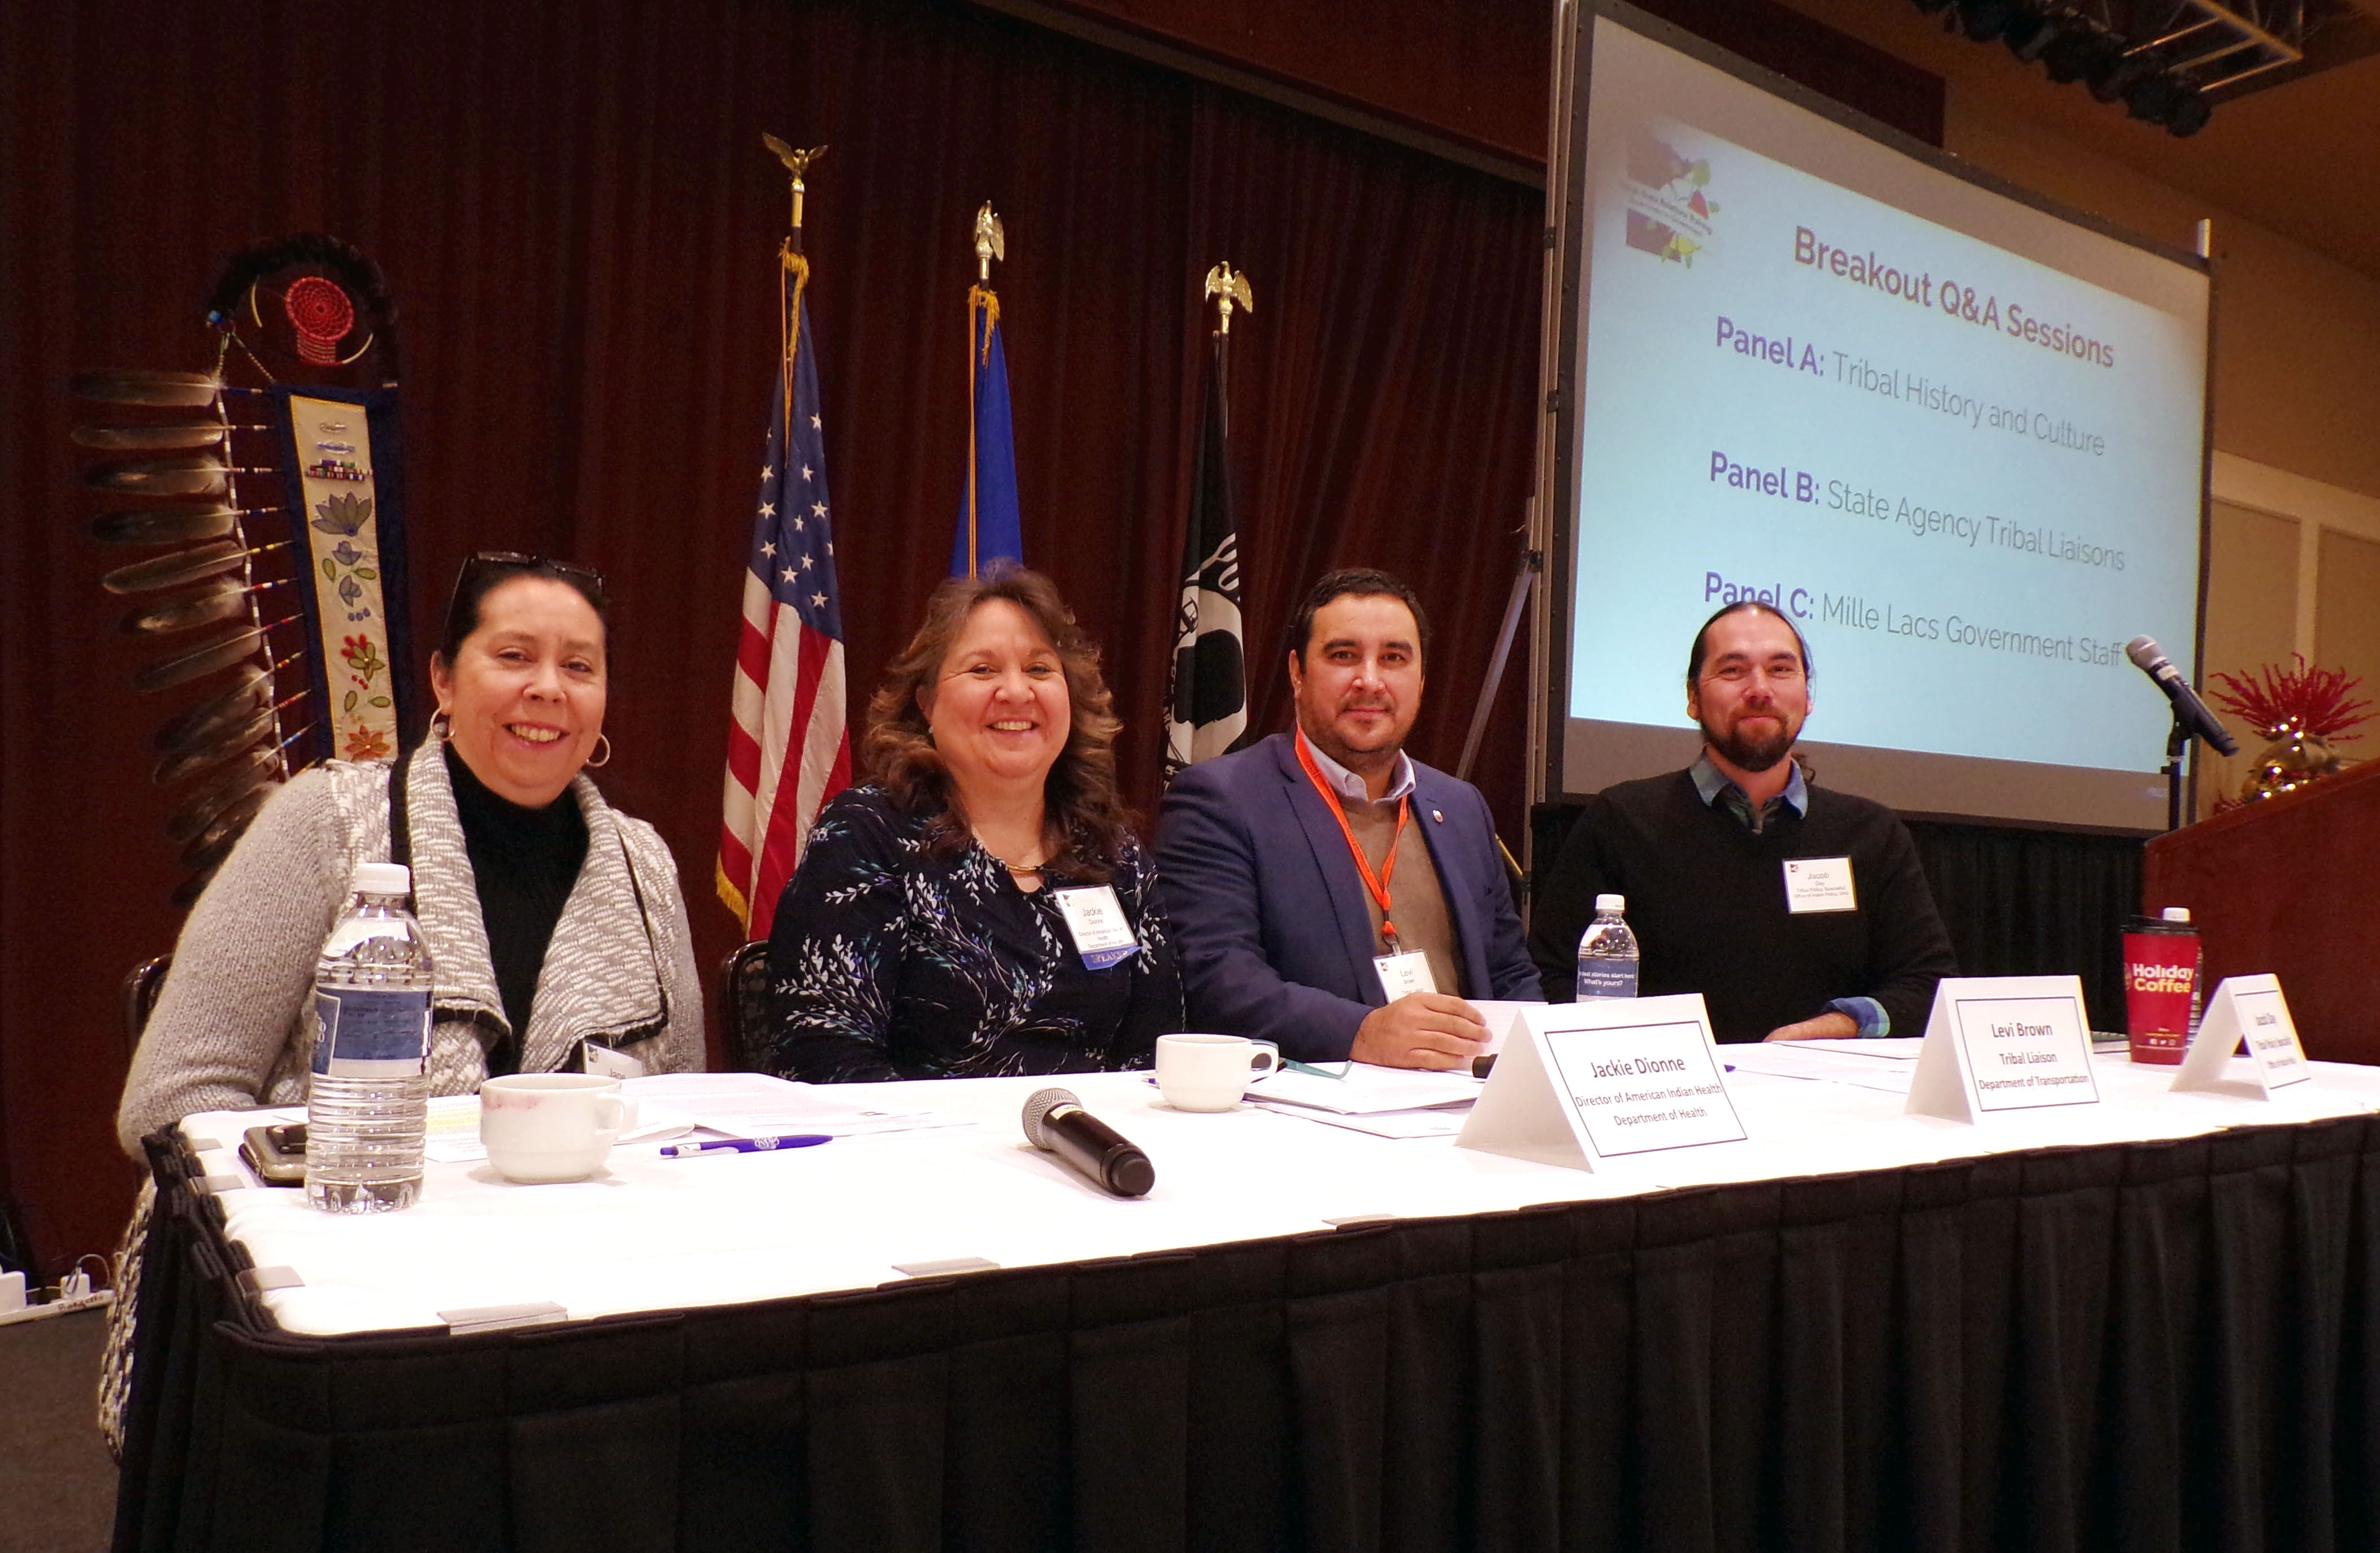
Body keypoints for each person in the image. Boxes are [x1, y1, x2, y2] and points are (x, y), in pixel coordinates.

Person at [116, 553, 706, 1155]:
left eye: (578, 666)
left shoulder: (644, 865)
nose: (549, 688)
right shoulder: (327, 823)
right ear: (443, 681)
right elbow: (171, 1103)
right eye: (514, 657)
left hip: (584, 1233)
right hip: (335, 1223)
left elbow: (680, 1112)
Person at [765, 567, 1180, 1081]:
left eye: (1040, 669)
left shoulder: (1112, 855)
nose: (1015, 691)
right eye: (983, 670)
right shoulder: (869, 836)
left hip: (1090, 1147)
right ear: (926, 703)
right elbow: (825, 1060)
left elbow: (1156, 1057)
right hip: (916, 1153)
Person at [1156, 567, 1540, 1070]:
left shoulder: (1462, 806)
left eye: (1394, 658)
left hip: (1468, 1100)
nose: (1370, 681)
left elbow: (1511, 974)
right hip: (1316, 1112)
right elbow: (1219, 979)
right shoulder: (1221, 800)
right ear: (1298, 673)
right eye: (1343, 656)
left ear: (1422, 680)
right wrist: (1361, 1033)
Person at [1529, 600, 1957, 1043]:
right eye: (1733, 671)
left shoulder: (1871, 834)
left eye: (1781, 669)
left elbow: (1928, 984)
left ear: (1808, 697)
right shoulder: (1621, 821)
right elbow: (1552, 977)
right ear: (1693, 699)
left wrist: (1842, 1025)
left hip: (1829, 1098)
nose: (1760, 689)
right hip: (1669, 1100)